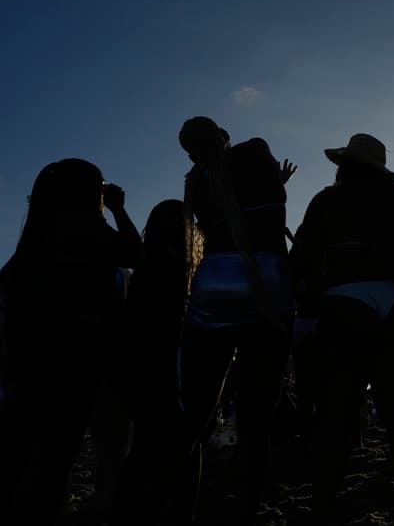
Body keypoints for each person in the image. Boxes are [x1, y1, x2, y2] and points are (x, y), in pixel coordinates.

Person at [0, 159, 143, 525]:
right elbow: (135, 255)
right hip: (85, 353)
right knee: (83, 448)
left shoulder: (38, 234)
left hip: (41, 355)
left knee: (43, 452)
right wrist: (120, 209)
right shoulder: (86, 226)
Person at [291, 133, 394, 520]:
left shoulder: (327, 200)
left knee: (337, 410)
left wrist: (304, 296)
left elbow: (302, 257)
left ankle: (323, 507)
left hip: (346, 299)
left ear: (343, 166)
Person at [176, 117, 296, 523]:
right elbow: (264, 212)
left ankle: (181, 508)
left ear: (192, 152)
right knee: (257, 413)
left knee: (196, 412)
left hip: (214, 280)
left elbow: (230, 213)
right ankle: (245, 508)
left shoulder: (197, 180)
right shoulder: (255, 151)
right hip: (267, 278)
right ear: (223, 136)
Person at [115, 199, 199, 521]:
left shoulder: (144, 268)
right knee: (182, 450)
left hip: (141, 368)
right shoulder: (191, 269)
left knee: (143, 448)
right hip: (177, 367)